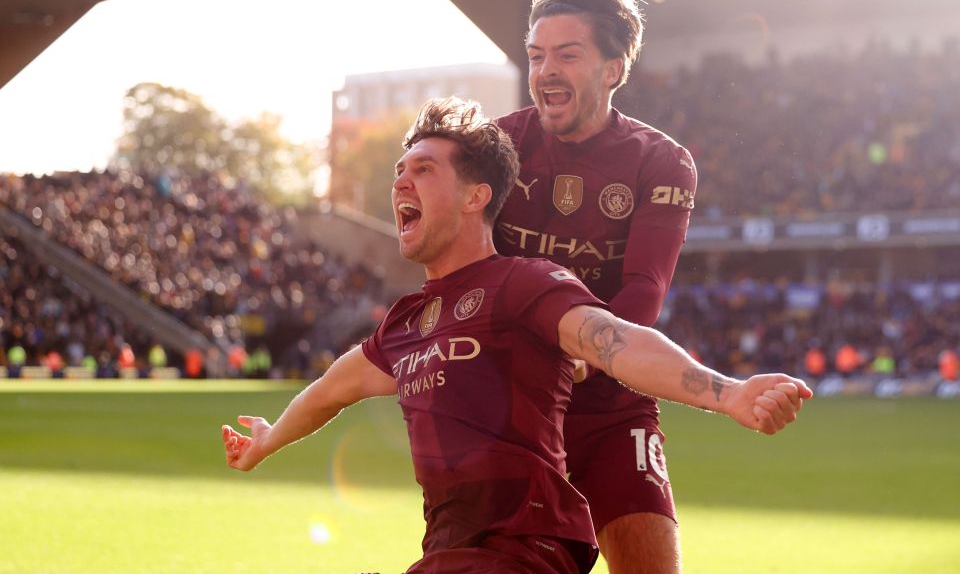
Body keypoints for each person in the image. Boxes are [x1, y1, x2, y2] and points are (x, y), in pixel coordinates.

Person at [221, 97, 811, 574]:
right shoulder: (406, 325)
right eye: (400, 171)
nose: (402, 181)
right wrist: (268, 440)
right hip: (448, 556)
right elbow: (330, 390)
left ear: (478, 197)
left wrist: (728, 392)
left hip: (526, 551)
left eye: (424, 169)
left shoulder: (524, 284)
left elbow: (618, 342)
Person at [491, 0, 699, 572]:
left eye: (567, 55)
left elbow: (645, 285)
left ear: (613, 70)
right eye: (536, 56)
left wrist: (586, 354)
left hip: (609, 400)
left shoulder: (662, 162)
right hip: (511, 410)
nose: (545, 71)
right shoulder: (493, 151)